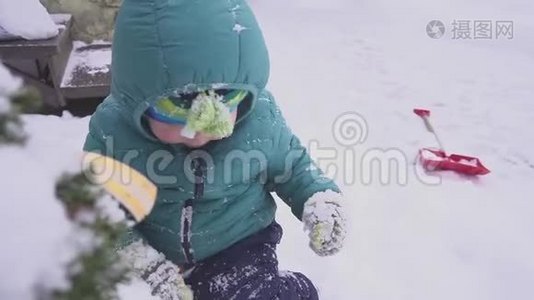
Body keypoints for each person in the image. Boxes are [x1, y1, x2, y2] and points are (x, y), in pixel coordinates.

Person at [83, 0, 347, 299]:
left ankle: (292, 291)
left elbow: (294, 167)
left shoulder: (258, 121)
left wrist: (319, 199)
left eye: (224, 103)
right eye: (178, 107)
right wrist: (143, 263)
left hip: (239, 242)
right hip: (154, 248)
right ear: (138, 95)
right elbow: (98, 208)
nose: (202, 131)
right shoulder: (114, 133)